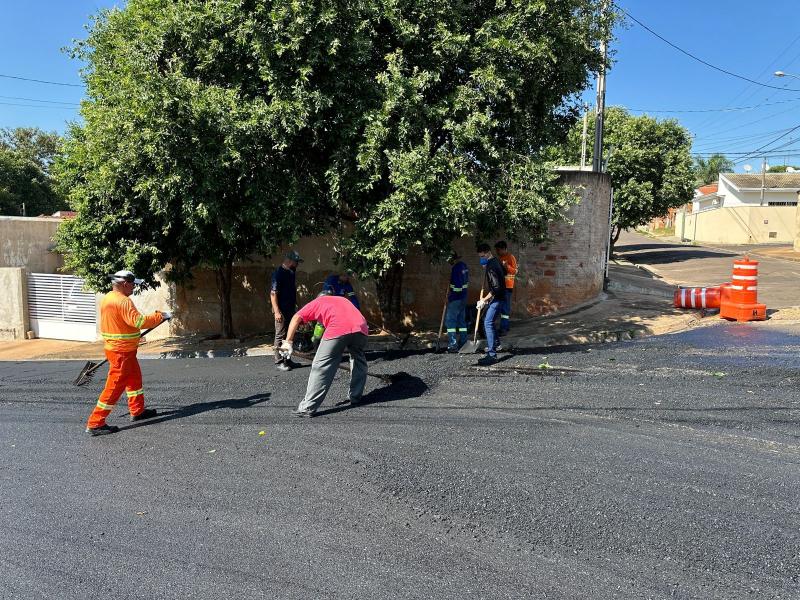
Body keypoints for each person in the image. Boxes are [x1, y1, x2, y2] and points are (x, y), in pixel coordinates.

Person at [85, 270, 171, 436]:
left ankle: (137, 411)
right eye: (132, 284)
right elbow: (139, 321)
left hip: (121, 350)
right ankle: (95, 423)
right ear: (125, 284)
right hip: (121, 352)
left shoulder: (108, 298)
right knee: (114, 387)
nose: (134, 287)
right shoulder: (124, 302)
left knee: (134, 379)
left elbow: (123, 324)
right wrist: (160, 316)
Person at [278, 295, 369, 417]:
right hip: (361, 327)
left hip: (338, 327)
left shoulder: (316, 303)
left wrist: (288, 342)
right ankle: (355, 397)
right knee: (358, 360)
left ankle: (307, 408)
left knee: (321, 365)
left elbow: (296, 318)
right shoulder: (341, 300)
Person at [270, 250, 303, 372]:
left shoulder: (291, 272)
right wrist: (277, 312)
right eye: (296, 262)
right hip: (281, 310)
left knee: (290, 334)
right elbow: (273, 294)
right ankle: (279, 361)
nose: (297, 264)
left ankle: (287, 360)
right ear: (289, 261)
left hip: (290, 308)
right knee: (280, 335)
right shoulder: (278, 274)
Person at [476, 243, 506, 365]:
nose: (481, 258)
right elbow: (504, 271)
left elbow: (496, 288)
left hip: (498, 297)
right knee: (489, 321)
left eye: (482, 256)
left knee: (487, 322)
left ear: (487, 252)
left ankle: (492, 355)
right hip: (500, 297)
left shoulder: (491, 266)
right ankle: (497, 345)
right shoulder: (496, 261)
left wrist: (484, 300)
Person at [444, 251, 469, 352]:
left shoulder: (456, 268)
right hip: (463, 298)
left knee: (450, 321)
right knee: (461, 321)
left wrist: (450, 297)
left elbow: (457, 287)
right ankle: (463, 342)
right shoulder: (464, 266)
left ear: (452, 259)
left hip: (456, 299)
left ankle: (452, 345)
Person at [494, 240, 517, 337]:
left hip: (507, 287)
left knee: (505, 308)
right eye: (497, 250)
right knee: (502, 307)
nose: (497, 252)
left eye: (498, 250)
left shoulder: (510, 257)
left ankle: (504, 328)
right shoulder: (499, 258)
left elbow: (515, 271)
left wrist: (506, 266)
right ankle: (505, 326)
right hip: (501, 286)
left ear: (504, 249)